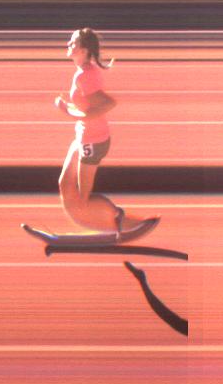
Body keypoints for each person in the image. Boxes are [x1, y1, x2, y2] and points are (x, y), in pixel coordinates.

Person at [26, 28, 160, 244]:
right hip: (84, 136)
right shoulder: (85, 71)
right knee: (65, 186)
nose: (68, 45)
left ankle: (119, 219)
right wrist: (69, 107)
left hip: (92, 141)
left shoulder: (85, 76)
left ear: (84, 50)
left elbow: (108, 104)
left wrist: (67, 112)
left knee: (82, 200)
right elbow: (88, 107)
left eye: (73, 43)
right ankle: (115, 223)